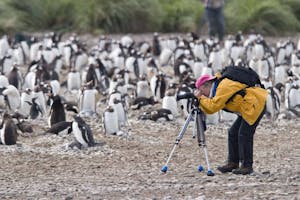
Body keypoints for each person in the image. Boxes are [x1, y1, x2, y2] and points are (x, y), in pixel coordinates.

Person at [193, 74, 268, 175]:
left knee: (244, 134)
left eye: (202, 91)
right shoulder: (219, 87)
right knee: (233, 132)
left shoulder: (223, 87)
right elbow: (211, 109)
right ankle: (233, 163)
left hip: (255, 105)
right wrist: (201, 100)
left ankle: (247, 166)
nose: (203, 94)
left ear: (207, 85)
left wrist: (200, 98)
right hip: (247, 107)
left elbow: (213, 107)